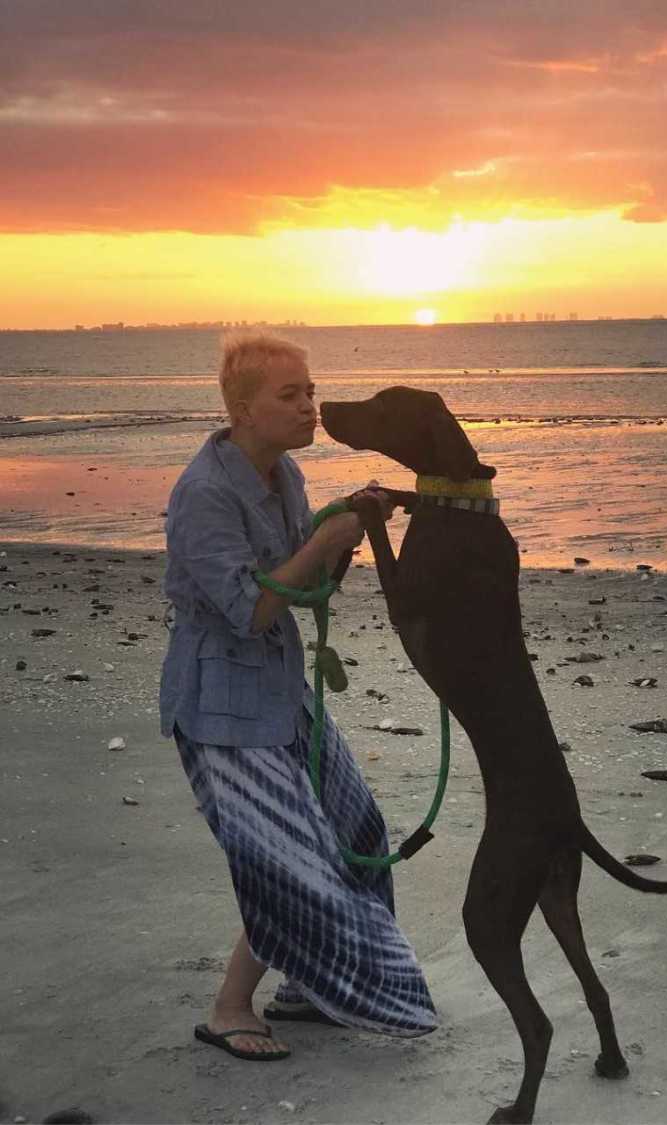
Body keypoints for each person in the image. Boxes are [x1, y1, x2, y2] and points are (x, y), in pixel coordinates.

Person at [159, 333, 437, 1061]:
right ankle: (228, 1007)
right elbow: (247, 609)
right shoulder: (204, 493)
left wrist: (344, 534)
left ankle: (307, 988)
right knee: (287, 862)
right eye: (292, 395)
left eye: (311, 391)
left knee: (356, 835)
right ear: (243, 409)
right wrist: (325, 541)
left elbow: (304, 588)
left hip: (280, 690)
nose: (311, 406)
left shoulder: (285, 478)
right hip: (223, 706)